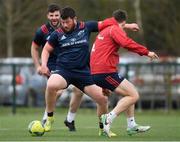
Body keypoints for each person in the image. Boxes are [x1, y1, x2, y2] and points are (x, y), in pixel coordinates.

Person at [90, 9, 159, 137]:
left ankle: (131, 125)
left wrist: (104, 85)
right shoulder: (115, 29)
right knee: (134, 95)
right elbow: (126, 43)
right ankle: (108, 118)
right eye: (124, 26)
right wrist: (146, 52)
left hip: (98, 72)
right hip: (105, 71)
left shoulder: (106, 29)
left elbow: (100, 54)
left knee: (130, 92)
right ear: (123, 22)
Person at [30, 3, 83, 130]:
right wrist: (39, 65)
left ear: (61, 15)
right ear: (47, 16)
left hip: (70, 64)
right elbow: (34, 47)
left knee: (79, 90)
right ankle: (46, 117)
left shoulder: (69, 26)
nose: (54, 18)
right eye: (51, 15)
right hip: (53, 65)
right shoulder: (42, 31)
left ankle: (70, 119)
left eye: (56, 15)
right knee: (58, 91)